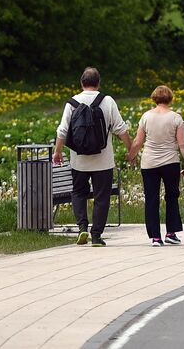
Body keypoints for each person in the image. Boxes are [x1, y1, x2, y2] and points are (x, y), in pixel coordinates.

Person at [53, 67, 131, 246]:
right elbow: (120, 128)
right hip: (103, 161)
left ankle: (82, 229)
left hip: (78, 161)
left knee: (78, 192)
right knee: (101, 197)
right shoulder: (107, 101)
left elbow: (63, 130)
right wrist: (131, 150)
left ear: (81, 83)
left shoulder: (72, 102)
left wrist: (58, 151)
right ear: (98, 83)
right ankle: (96, 235)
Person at [129, 85, 184, 246]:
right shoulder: (176, 118)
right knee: (172, 196)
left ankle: (155, 237)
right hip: (170, 162)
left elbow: (138, 141)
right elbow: (182, 144)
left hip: (149, 163)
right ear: (170, 98)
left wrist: (131, 155)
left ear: (154, 98)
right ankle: (171, 233)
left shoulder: (146, 117)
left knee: (151, 198)